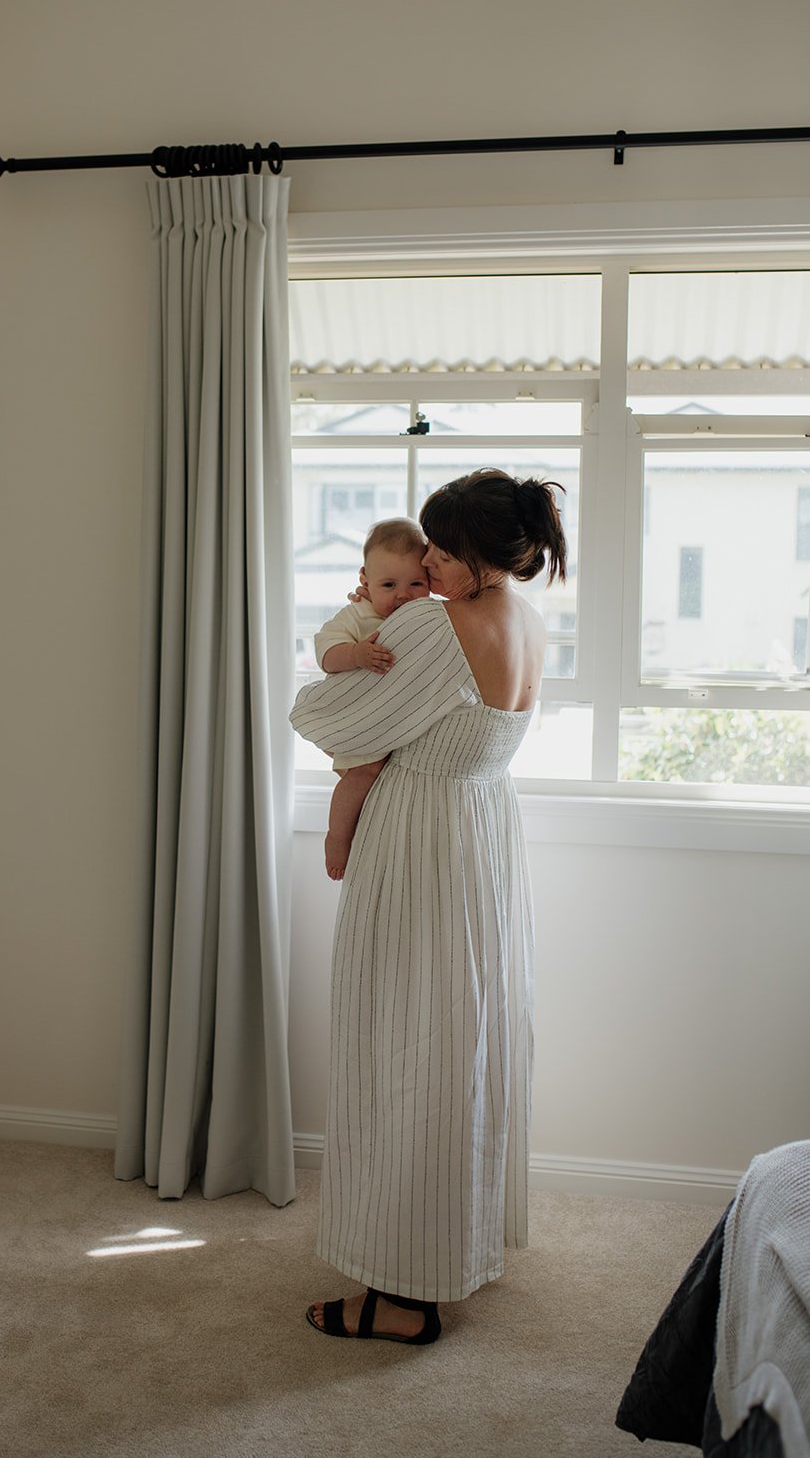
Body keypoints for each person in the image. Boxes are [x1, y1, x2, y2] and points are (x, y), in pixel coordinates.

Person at [290, 468, 566, 1345]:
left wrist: (359, 641)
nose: (428, 563)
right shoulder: (528, 620)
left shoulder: (432, 625)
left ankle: (402, 1297)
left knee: (401, 1043)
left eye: (443, 550)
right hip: (481, 834)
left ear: (482, 556)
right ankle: (453, 1244)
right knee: (461, 1043)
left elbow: (322, 717)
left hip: (422, 839)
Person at [313, 518, 431, 881]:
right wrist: (355, 654)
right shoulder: (358, 615)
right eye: (389, 585)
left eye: (416, 584)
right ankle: (337, 837)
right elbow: (325, 653)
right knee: (364, 773)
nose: (403, 595)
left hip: (395, 722)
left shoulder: (429, 616)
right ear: (365, 581)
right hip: (358, 719)